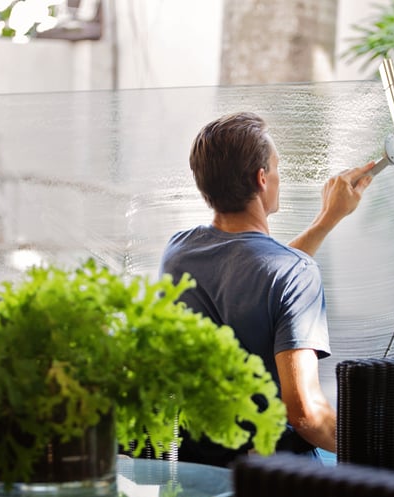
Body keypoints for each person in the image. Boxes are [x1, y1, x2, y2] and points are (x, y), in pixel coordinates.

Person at [159, 112, 374, 466]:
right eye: (276, 168)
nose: (278, 177)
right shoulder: (293, 273)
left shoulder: (178, 253)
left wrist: (326, 220)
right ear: (262, 179)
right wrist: (381, 444)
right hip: (273, 480)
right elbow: (305, 415)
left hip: (198, 468)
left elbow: (253, 271)